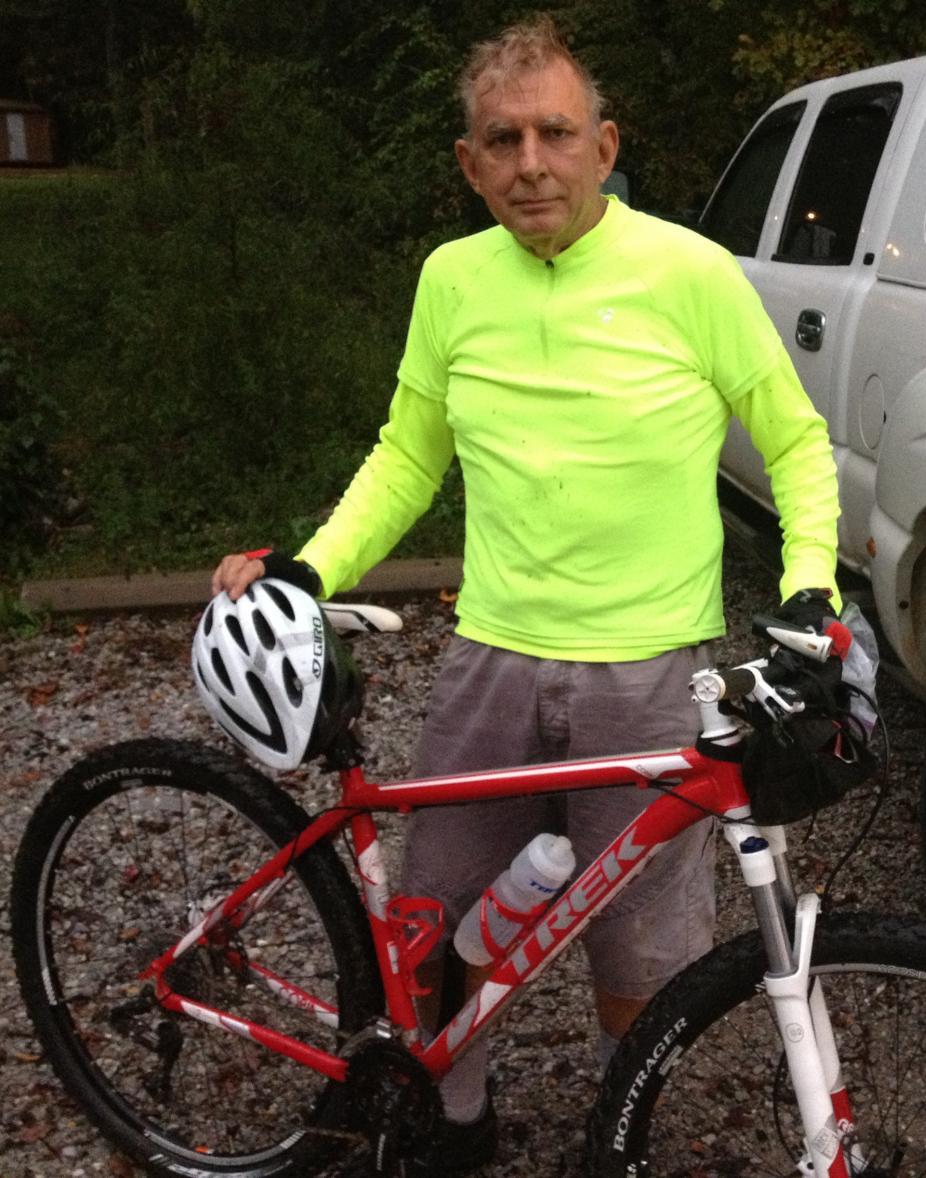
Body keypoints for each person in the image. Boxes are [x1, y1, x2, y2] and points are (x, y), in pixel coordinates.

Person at [212, 15, 842, 1174]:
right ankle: (453, 1125)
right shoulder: (453, 278)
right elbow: (408, 455)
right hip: (492, 655)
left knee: (643, 959)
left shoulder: (692, 273)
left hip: (654, 667)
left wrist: (809, 593)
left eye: (556, 133)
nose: (530, 162)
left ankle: (622, 1133)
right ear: (468, 163)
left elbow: (797, 443)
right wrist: (311, 567)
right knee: (432, 924)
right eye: (501, 140)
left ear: (606, 145)